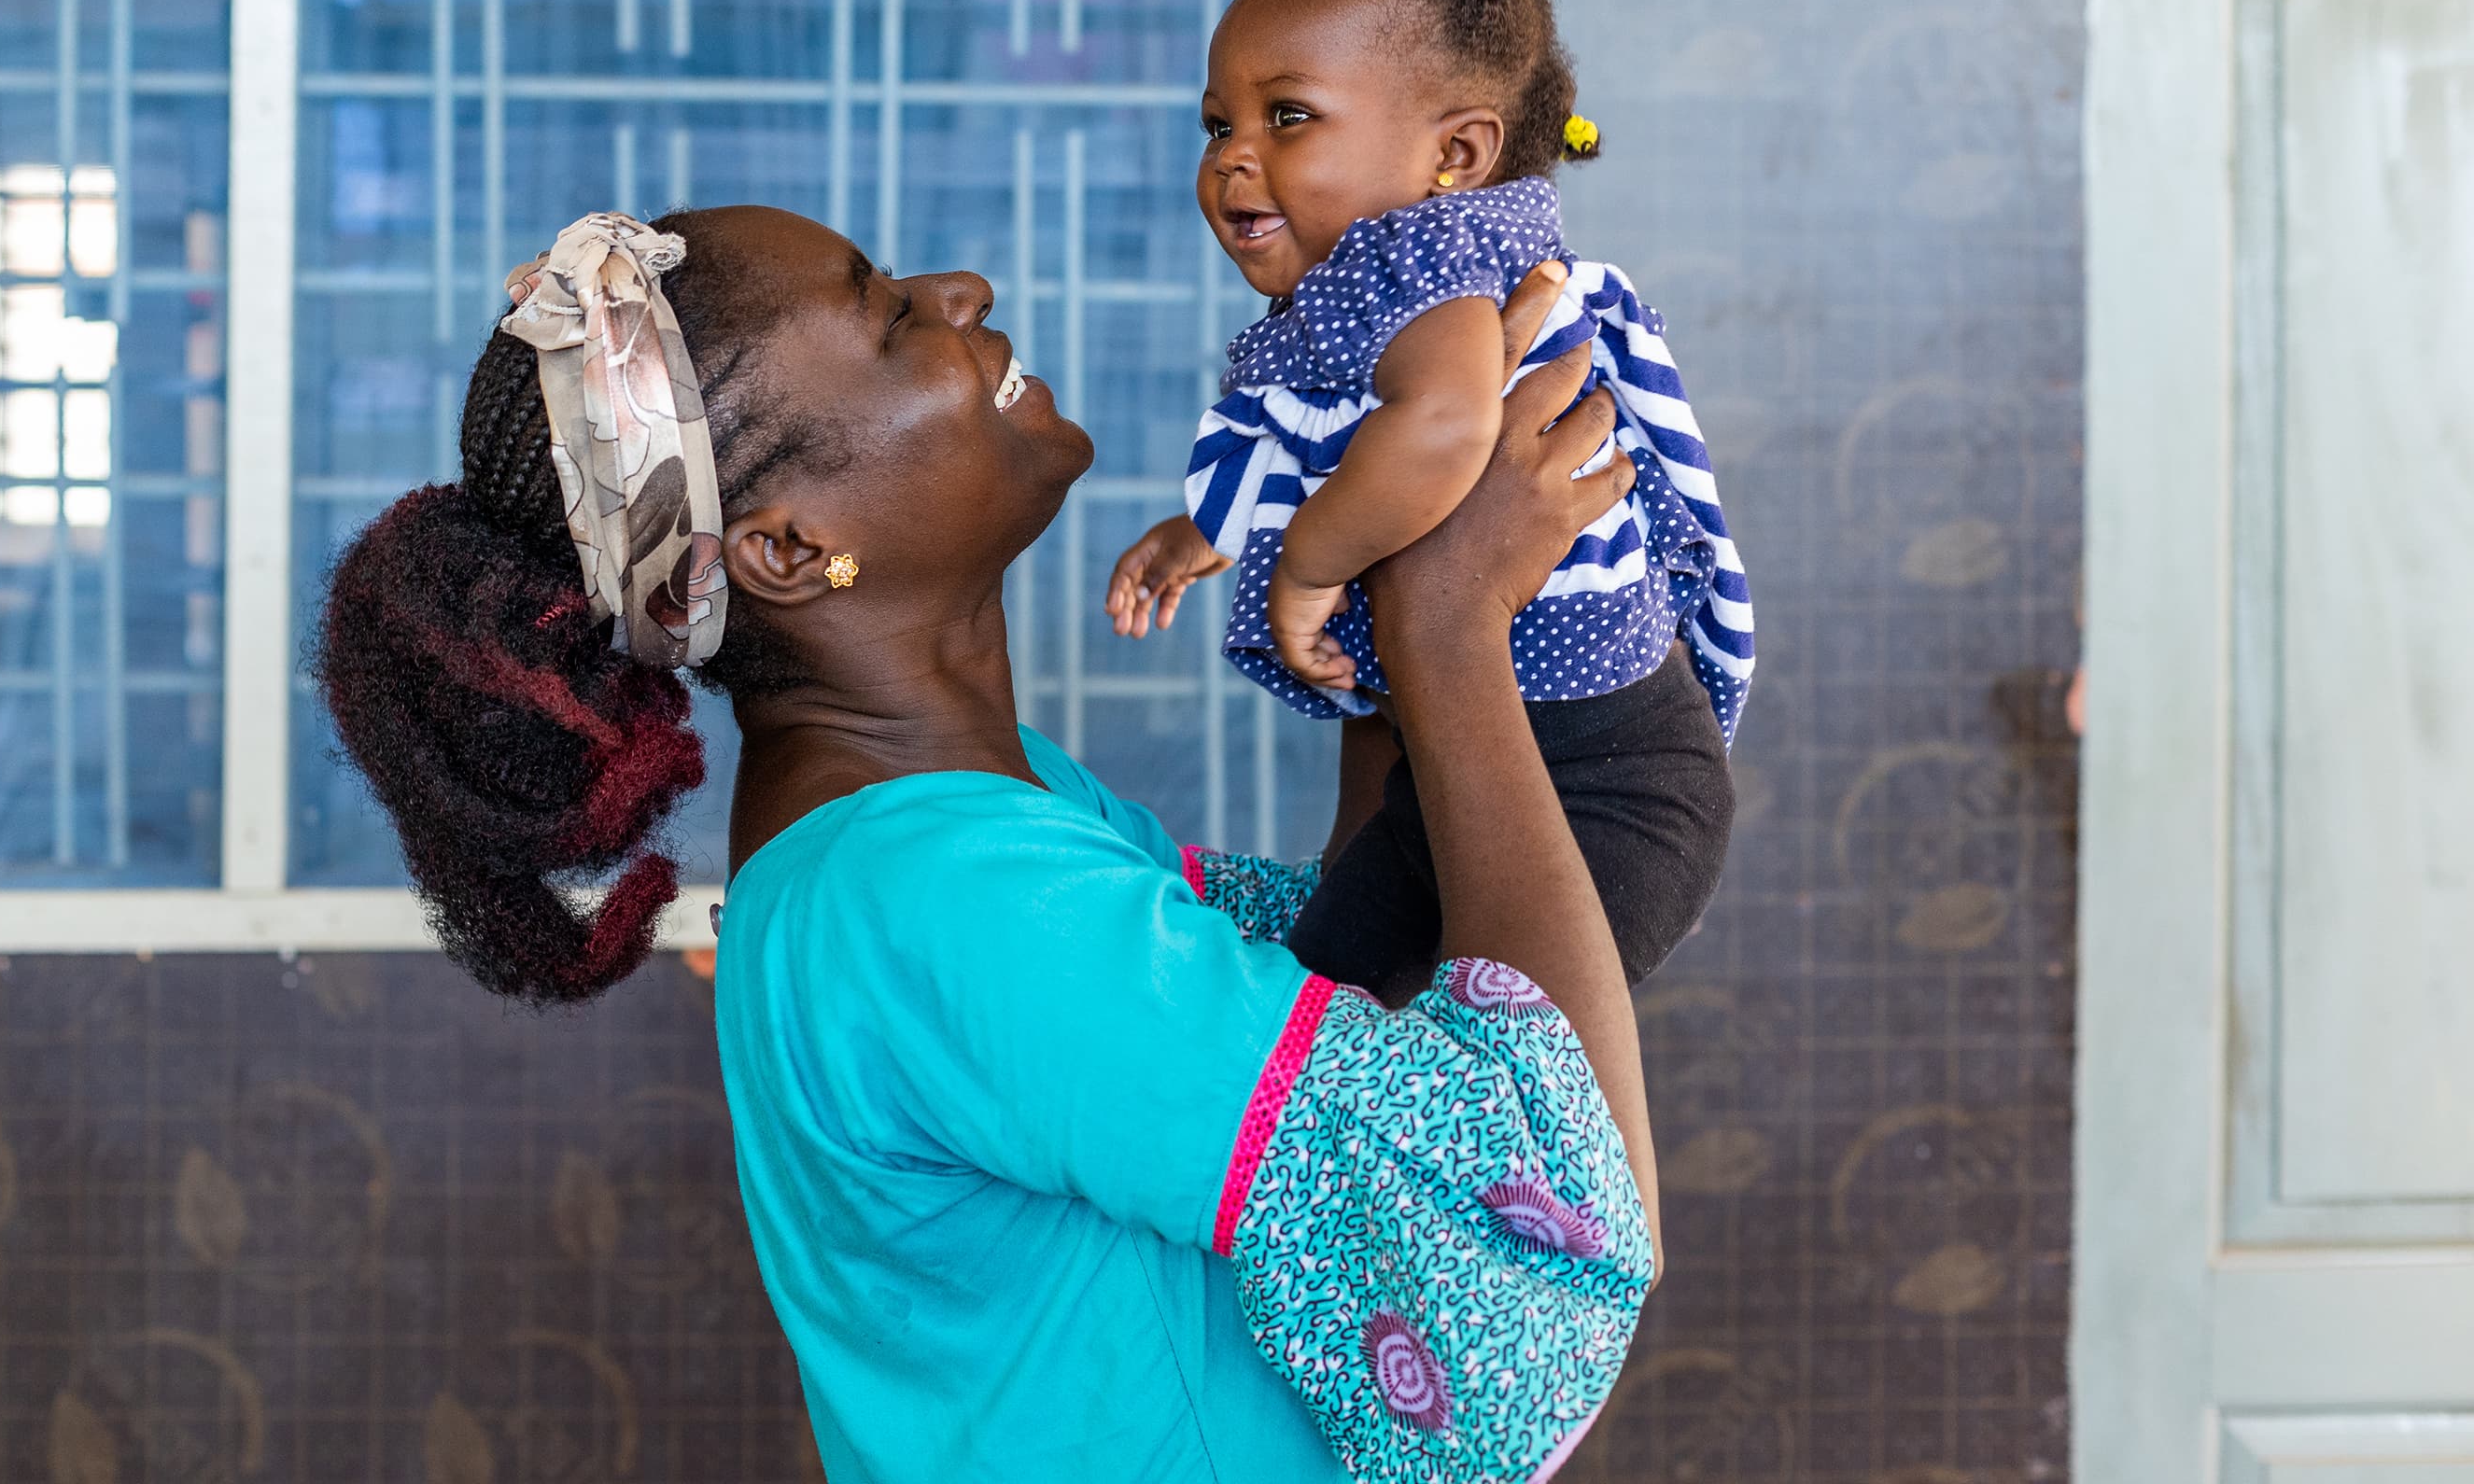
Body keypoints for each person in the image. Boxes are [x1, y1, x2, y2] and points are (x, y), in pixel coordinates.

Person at [316, 203, 1661, 1482]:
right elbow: (1553, 1247)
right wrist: (1445, 628)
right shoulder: (932, 899)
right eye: (895, 319)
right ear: (790, 550)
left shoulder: (974, 824)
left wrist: (1374, 543)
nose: (965, 293)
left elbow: (1368, 961)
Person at [1104, 0, 1753, 998]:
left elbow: (1447, 431)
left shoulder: (1432, 261)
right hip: (1469, 767)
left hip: (1605, 786)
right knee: (1330, 1012)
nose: (1231, 158)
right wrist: (1212, 523)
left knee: (1509, 1068)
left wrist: (1306, 564)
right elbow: (1356, 438)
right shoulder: (1389, 271)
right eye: (1218, 124)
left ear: (1456, 153)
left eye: (1288, 115)